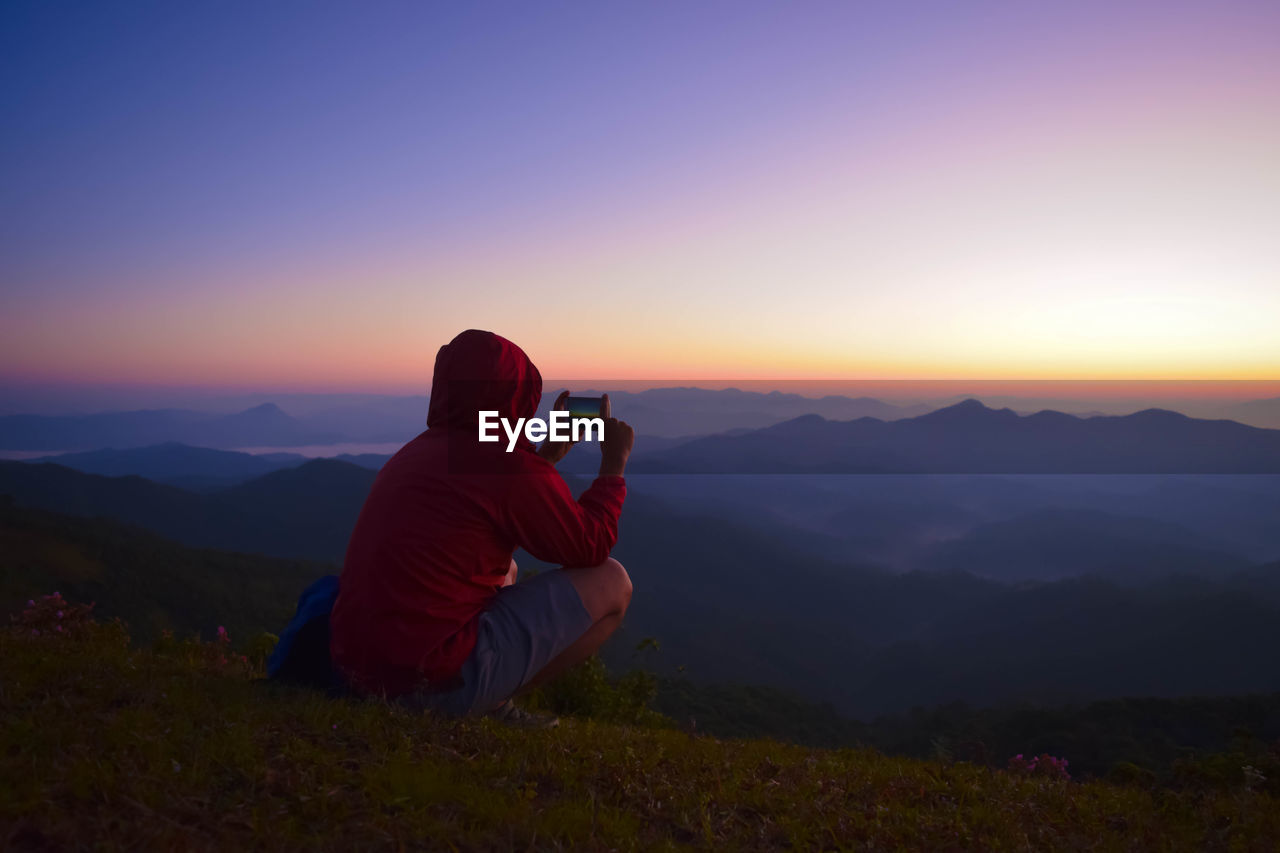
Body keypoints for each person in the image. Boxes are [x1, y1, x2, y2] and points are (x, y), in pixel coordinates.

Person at [329, 329, 634, 725]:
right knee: (612, 583)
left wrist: (548, 456)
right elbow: (591, 545)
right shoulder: (504, 463)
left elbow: (497, 499)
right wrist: (614, 465)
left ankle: (479, 692)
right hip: (423, 684)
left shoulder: (421, 449)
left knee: (505, 569)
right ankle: (484, 703)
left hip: (358, 669)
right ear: (516, 395)